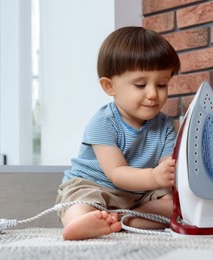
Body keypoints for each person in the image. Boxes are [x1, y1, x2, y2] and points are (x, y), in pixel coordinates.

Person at [56, 26, 180, 240]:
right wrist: (154, 176)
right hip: (97, 186)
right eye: (140, 85)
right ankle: (80, 221)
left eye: (162, 84)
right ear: (109, 86)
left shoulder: (166, 126)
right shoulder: (102, 122)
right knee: (80, 201)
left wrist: (171, 174)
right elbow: (117, 174)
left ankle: (124, 219)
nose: (153, 94)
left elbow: (167, 166)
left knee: (175, 205)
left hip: (140, 195)